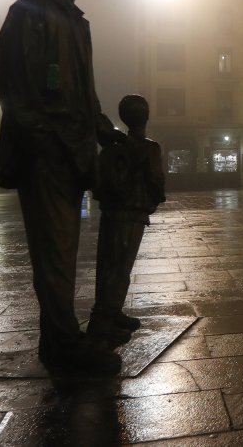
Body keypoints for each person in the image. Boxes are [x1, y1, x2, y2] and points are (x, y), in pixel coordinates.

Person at [0, 0, 126, 375]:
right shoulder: (29, 12)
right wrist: (44, 139)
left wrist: (106, 131)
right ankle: (66, 343)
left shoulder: (75, 20)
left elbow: (82, 91)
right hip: (48, 151)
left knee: (62, 248)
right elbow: (17, 86)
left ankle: (56, 340)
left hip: (72, 148)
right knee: (53, 250)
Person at [88, 95, 165, 349]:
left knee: (108, 265)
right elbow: (156, 183)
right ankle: (102, 325)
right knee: (120, 269)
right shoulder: (150, 148)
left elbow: (97, 183)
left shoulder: (111, 148)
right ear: (147, 116)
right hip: (133, 214)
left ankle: (113, 313)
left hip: (111, 213)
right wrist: (150, 203)